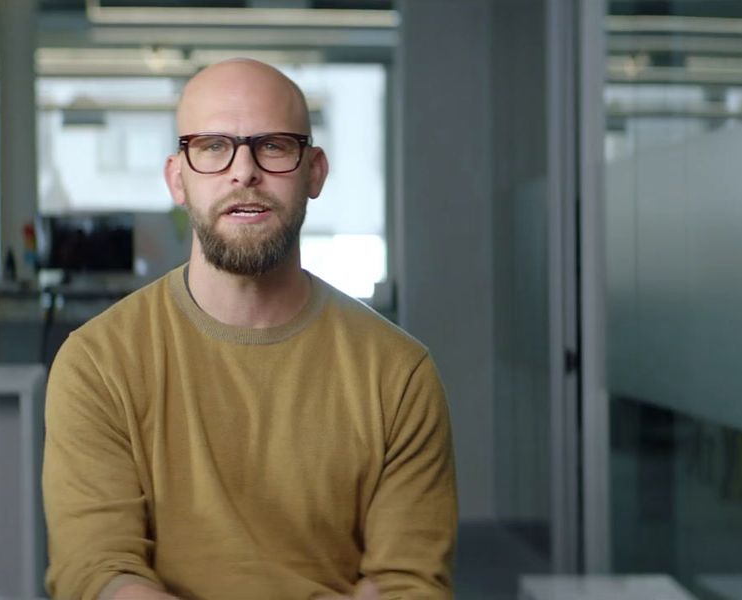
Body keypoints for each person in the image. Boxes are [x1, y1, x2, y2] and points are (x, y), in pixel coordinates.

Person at [43, 58, 457, 600]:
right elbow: (97, 572)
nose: (243, 171)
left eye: (274, 145)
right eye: (213, 146)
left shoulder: (398, 374)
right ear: (177, 178)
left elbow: (411, 584)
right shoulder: (98, 363)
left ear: (315, 172)